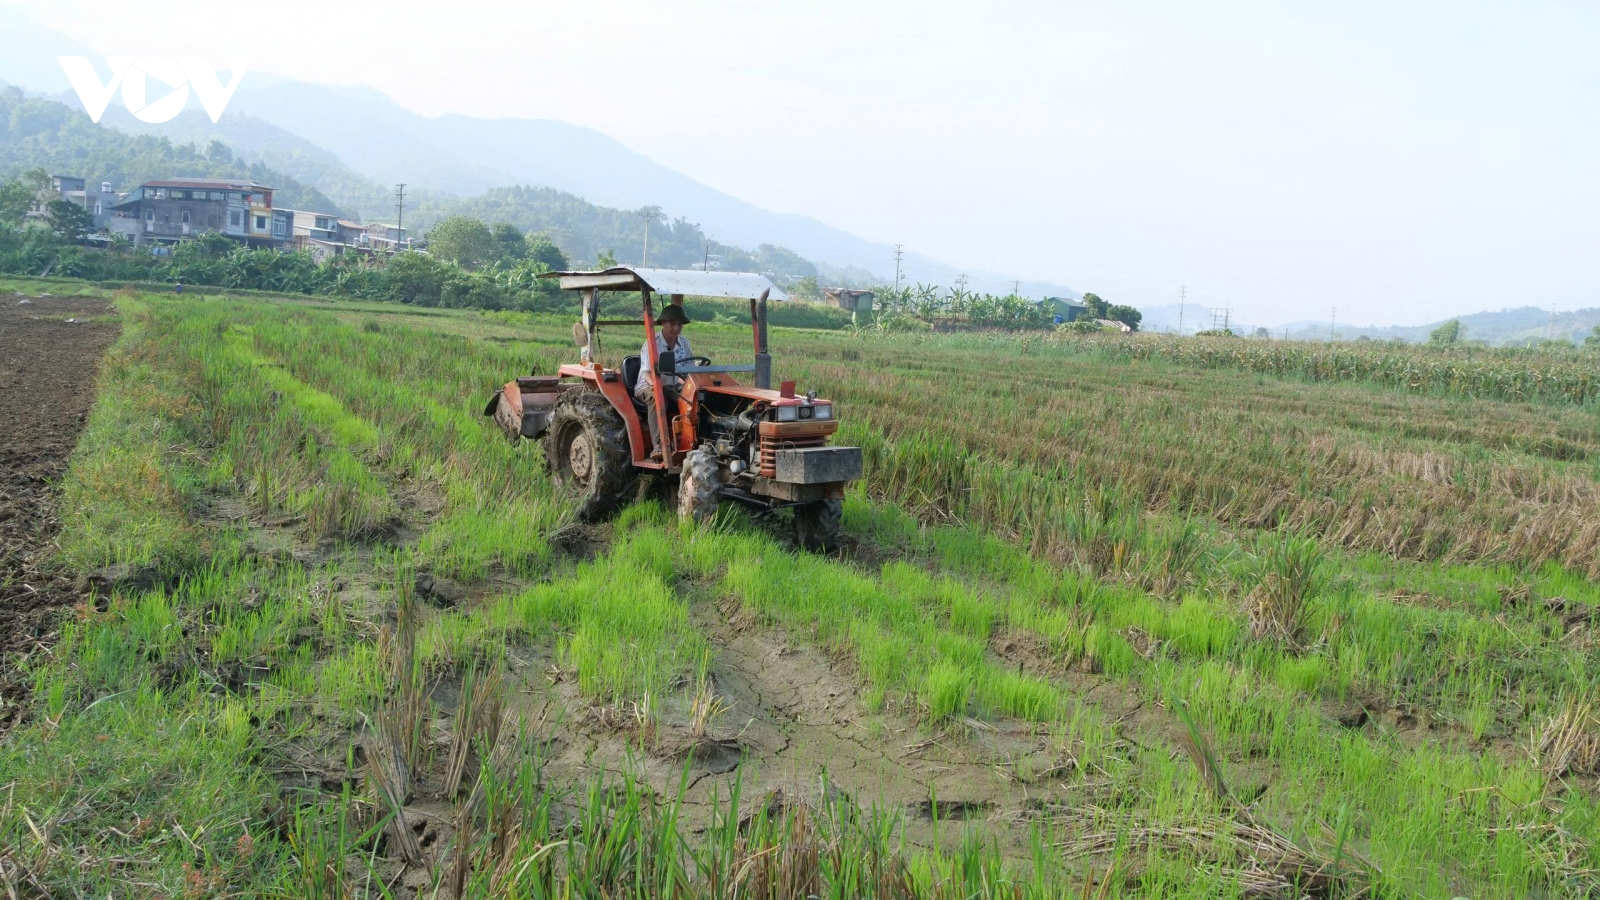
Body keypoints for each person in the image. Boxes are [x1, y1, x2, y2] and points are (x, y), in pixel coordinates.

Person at [634, 304, 695, 456]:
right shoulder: (652, 344)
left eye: (679, 324)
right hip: (647, 384)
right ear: (663, 323)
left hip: (671, 385)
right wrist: (655, 385)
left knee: (693, 398)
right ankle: (658, 446)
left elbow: (688, 370)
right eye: (672, 323)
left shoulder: (684, 344)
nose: (676, 327)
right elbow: (648, 373)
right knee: (657, 398)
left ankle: (691, 440)